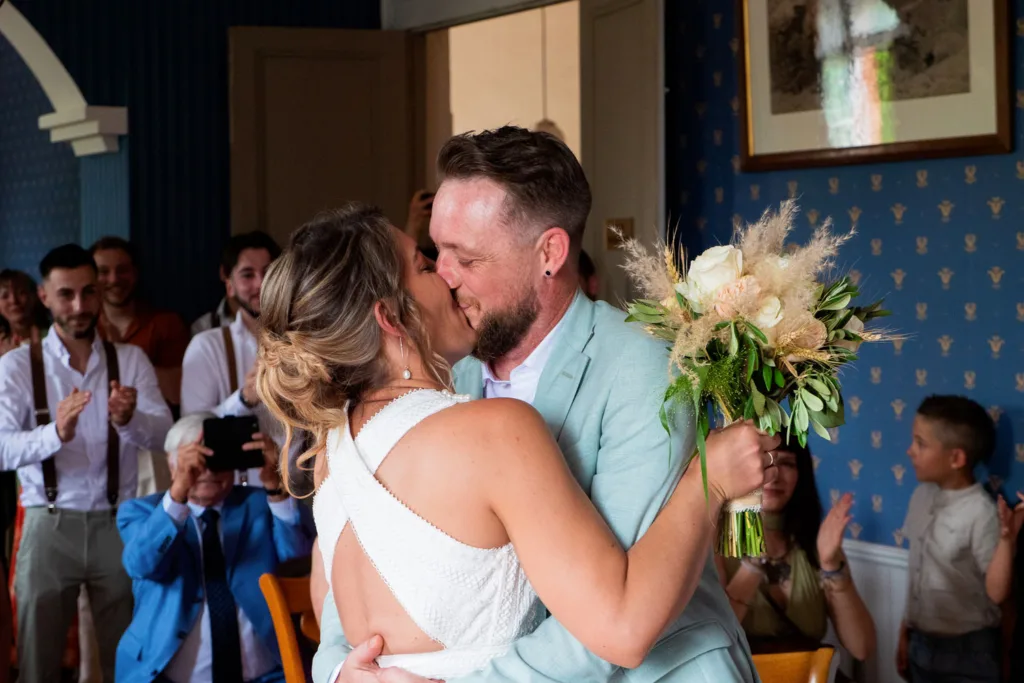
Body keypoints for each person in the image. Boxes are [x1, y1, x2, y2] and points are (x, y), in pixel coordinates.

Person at [263, 131, 775, 683]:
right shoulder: (440, 378)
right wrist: (344, 672)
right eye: (434, 256)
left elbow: (609, 626)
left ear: (550, 253)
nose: (447, 275)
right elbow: (355, 606)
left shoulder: (641, 365)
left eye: (466, 257)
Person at [0, 244, 172, 683]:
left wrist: (129, 419)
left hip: (118, 522)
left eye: (88, 293)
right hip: (47, 525)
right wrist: (52, 434)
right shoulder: (18, 367)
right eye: (66, 295)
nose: (79, 306)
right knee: (38, 663)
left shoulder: (129, 360)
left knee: (127, 660)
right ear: (44, 296)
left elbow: (164, 434)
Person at [116, 412, 314, 683]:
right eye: (197, 461)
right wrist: (178, 494)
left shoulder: (259, 503)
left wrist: (276, 484)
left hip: (266, 675)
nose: (208, 471)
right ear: (172, 465)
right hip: (165, 674)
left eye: (216, 458)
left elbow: (298, 556)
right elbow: (141, 565)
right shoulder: (141, 511)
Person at [716, 439, 876, 663]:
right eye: (765, 461)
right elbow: (715, 639)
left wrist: (831, 565)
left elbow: (862, 647)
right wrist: (753, 565)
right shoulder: (714, 544)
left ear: (801, 475)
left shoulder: (816, 543)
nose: (774, 475)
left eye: (787, 463)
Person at [897, 395, 1001, 683]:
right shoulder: (920, 496)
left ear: (956, 458)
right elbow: (916, 569)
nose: (910, 451)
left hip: (968, 652)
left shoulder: (982, 513)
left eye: (921, 443)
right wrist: (904, 632)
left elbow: (1002, 594)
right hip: (920, 643)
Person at [181, 231, 283, 487]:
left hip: (298, 495)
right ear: (229, 284)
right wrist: (243, 399)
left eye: (269, 272)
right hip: (234, 497)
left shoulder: (305, 343)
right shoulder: (206, 346)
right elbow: (191, 431)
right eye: (248, 275)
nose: (260, 284)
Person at [91, 237, 191, 411]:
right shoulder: (83, 328)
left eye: (122, 270)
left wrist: (122, 352)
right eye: (103, 272)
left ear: (135, 274)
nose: (114, 279)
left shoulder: (167, 323)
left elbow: (176, 392)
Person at [0, 269, 48, 355]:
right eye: (5, 296)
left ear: (34, 296)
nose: (13, 300)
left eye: (21, 293)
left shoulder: (52, 337)